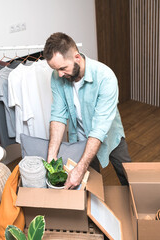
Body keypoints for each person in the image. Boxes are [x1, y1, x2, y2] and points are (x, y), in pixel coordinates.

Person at [43, 32, 132, 189]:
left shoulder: (106, 77)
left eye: (63, 68)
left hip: (110, 136)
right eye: (56, 69)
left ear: (77, 58)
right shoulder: (57, 77)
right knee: (90, 183)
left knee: (128, 178)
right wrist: (51, 156)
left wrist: (80, 168)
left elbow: (99, 129)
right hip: (80, 139)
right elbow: (58, 116)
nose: (59, 74)